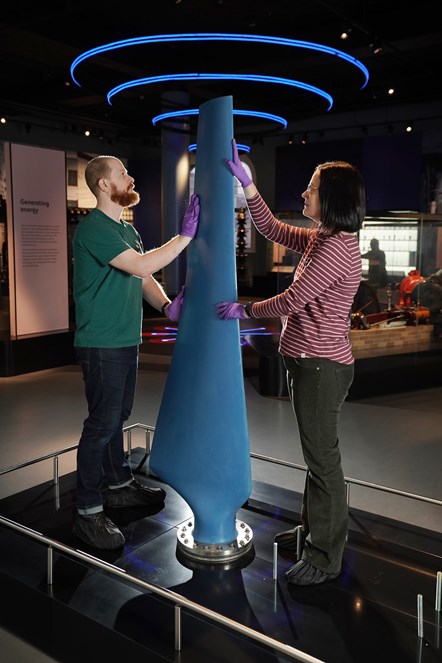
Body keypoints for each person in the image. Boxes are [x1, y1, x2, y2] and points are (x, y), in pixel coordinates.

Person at [217, 139, 365, 586]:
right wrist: (249, 187)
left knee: (323, 462)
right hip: (308, 363)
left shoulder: (337, 249)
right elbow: (274, 230)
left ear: (332, 199)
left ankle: (324, 556)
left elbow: (295, 299)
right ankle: (312, 534)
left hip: (322, 367)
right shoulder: (324, 237)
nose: (304, 195)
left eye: (312, 189)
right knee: (316, 457)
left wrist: (243, 310)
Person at [72, 155, 199, 550]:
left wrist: (165, 306)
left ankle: (119, 485)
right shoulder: (94, 229)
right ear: (104, 186)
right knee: (102, 424)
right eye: (123, 173)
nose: (130, 176)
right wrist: (185, 238)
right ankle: (88, 510)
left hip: (126, 340)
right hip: (101, 343)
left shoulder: (127, 230)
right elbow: (143, 263)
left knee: (118, 418)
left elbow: (143, 275)